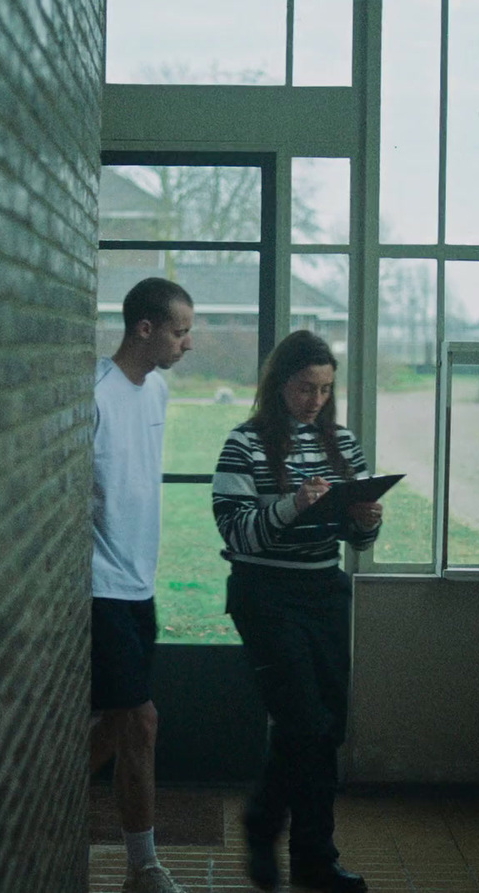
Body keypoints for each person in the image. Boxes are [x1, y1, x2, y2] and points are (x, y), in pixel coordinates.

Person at [212, 330, 383, 893]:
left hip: (323, 591)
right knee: (303, 723)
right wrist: (291, 505)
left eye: (325, 389)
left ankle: (309, 857)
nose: (316, 399)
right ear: (279, 382)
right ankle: (276, 833)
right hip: (266, 595)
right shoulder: (244, 445)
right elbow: (236, 533)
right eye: (306, 387)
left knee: (326, 728)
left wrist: (364, 522)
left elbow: (357, 543)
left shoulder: (344, 445)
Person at [90, 277, 195, 893]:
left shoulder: (155, 391)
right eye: (181, 330)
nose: (189, 342)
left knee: (119, 722)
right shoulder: (95, 392)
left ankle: (31, 793)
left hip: (139, 584)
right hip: (100, 583)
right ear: (145, 329)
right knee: (142, 720)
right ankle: (145, 868)